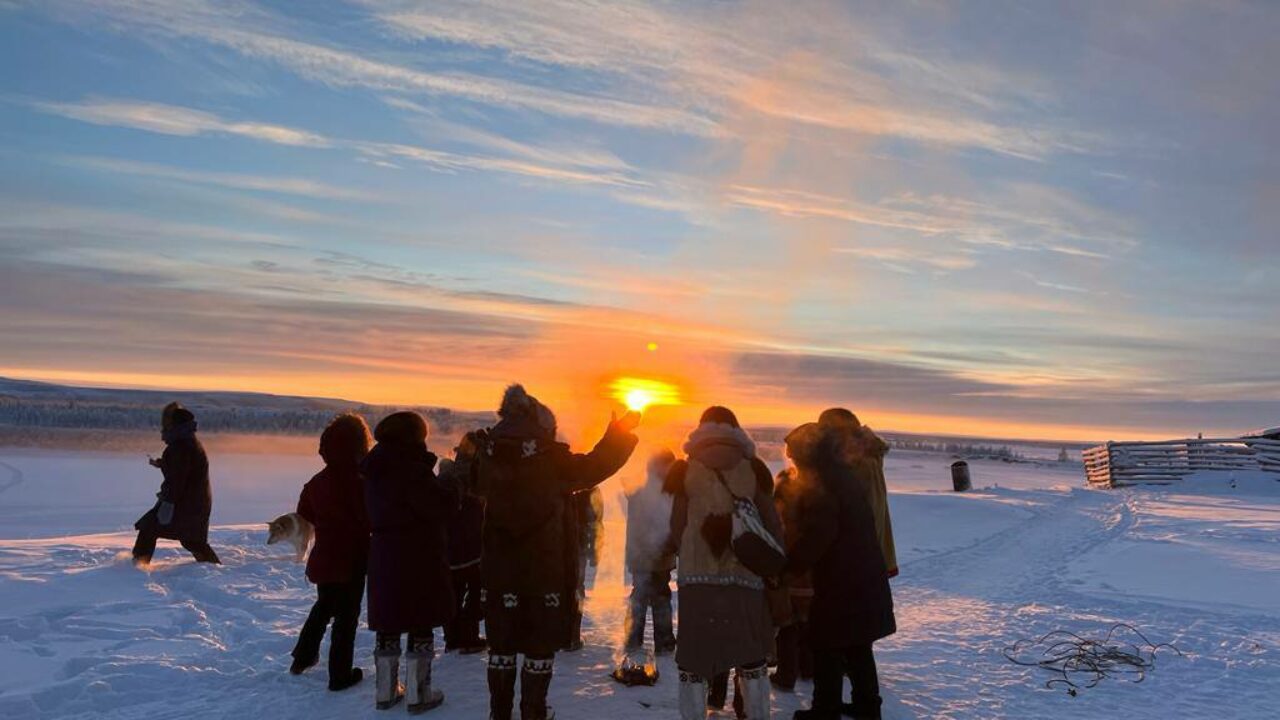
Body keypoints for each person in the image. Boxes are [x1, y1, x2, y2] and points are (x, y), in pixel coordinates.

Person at [475, 384, 640, 720]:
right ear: (542, 427)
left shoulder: (487, 455)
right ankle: (533, 711)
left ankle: (499, 713)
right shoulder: (550, 460)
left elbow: (469, 483)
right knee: (538, 643)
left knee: (503, 643)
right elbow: (595, 466)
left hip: (500, 566)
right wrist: (618, 434)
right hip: (544, 565)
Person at [666, 406, 781, 720]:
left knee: (694, 656)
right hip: (745, 579)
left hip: (696, 582)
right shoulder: (754, 469)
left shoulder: (683, 471)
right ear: (736, 431)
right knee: (750, 654)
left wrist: (692, 551)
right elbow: (772, 525)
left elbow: (676, 528)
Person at [787, 422, 896, 720]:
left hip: (842, 582)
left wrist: (788, 566)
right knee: (857, 646)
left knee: (827, 646)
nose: (793, 463)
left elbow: (818, 537)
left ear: (808, 454)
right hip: (861, 577)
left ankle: (826, 710)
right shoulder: (841, 475)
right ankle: (867, 707)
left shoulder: (824, 482)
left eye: (794, 457)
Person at [362, 411, 457, 714]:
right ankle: (419, 692)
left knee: (389, 620)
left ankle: (385, 691)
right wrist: (452, 483)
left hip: (383, 551)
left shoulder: (375, 466)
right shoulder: (411, 469)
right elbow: (439, 506)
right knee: (420, 620)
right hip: (417, 552)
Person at [290, 413, 372, 692]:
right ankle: (339, 675)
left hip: (325, 558)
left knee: (323, 607)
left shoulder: (316, 483)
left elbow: (304, 515)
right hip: (353, 559)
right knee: (346, 618)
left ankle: (301, 658)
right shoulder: (364, 481)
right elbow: (372, 516)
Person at [132, 402, 220, 566]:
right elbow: (181, 469)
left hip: (184, 504)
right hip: (194, 503)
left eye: (166, 424)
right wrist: (163, 464)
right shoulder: (188, 442)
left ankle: (137, 567)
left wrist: (168, 503)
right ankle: (214, 568)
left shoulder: (180, 447)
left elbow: (177, 479)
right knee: (193, 540)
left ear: (173, 425)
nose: (163, 428)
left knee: (149, 528)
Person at [817, 409, 897, 579]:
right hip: (866, 556)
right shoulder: (867, 458)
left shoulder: (859, 465)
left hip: (858, 558)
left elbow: (863, 515)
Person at [622, 448, 678, 657]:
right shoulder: (660, 493)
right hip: (652, 554)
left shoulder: (640, 491)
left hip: (644, 555)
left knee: (643, 595)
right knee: (657, 596)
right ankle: (662, 641)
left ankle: (634, 638)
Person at [769, 457, 815, 692]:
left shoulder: (779, 518)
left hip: (788, 580)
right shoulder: (810, 516)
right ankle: (808, 668)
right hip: (809, 581)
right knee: (807, 626)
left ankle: (786, 674)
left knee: (788, 629)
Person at [440, 431, 488, 655]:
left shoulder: (449, 477)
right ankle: (468, 637)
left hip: (450, 547)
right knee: (475, 591)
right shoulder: (473, 478)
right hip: (470, 547)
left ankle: (452, 638)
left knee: (455, 592)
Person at [564, 485, 604, 651]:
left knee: (563, 589)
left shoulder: (562, 483)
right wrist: (595, 551)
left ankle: (562, 635)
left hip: (560, 547)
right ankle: (572, 636)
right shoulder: (592, 490)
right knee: (577, 589)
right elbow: (596, 522)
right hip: (578, 545)